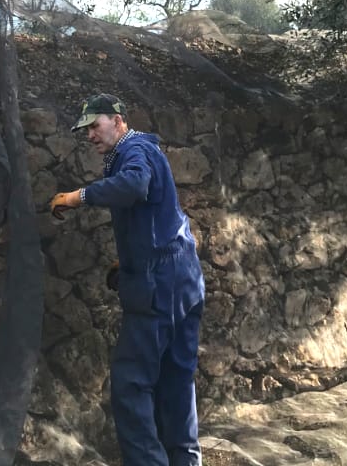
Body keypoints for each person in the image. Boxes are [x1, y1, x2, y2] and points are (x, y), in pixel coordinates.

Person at [50, 93, 205, 466]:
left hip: (158, 284)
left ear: (118, 121)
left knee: (131, 384)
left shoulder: (133, 151)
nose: (89, 135)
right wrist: (131, 257)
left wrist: (76, 197)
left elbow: (134, 186)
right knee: (177, 377)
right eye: (85, 130)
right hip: (183, 276)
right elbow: (156, 212)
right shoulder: (145, 151)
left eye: (95, 125)